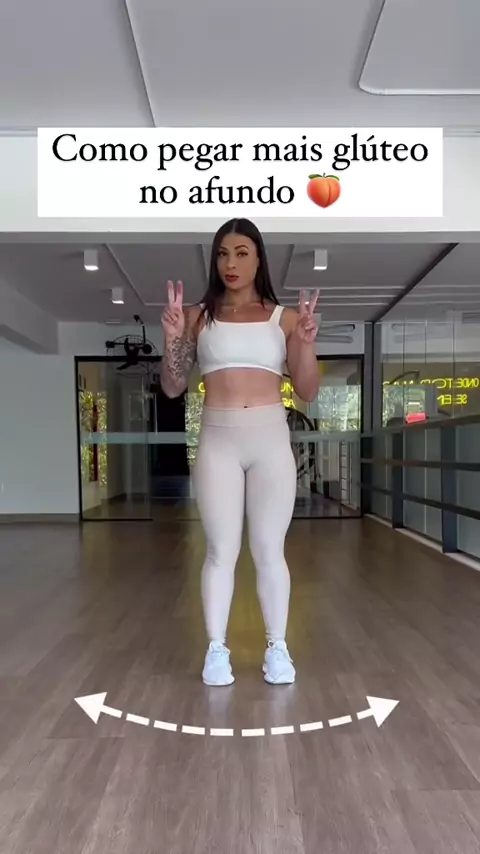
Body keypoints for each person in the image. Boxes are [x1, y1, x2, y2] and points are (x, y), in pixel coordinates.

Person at [160, 218, 320, 686]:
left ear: (258, 259)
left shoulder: (283, 319)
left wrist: (305, 343)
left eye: (242, 253)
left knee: (269, 549)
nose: (230, 263)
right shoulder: (197, 317)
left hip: (270, 439)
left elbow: (307, 390)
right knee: (220, 550)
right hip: (218, 440)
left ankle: (278, 647)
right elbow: (172, 386)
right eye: (223, 253)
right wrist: (172, 338)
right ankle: (216, 650)